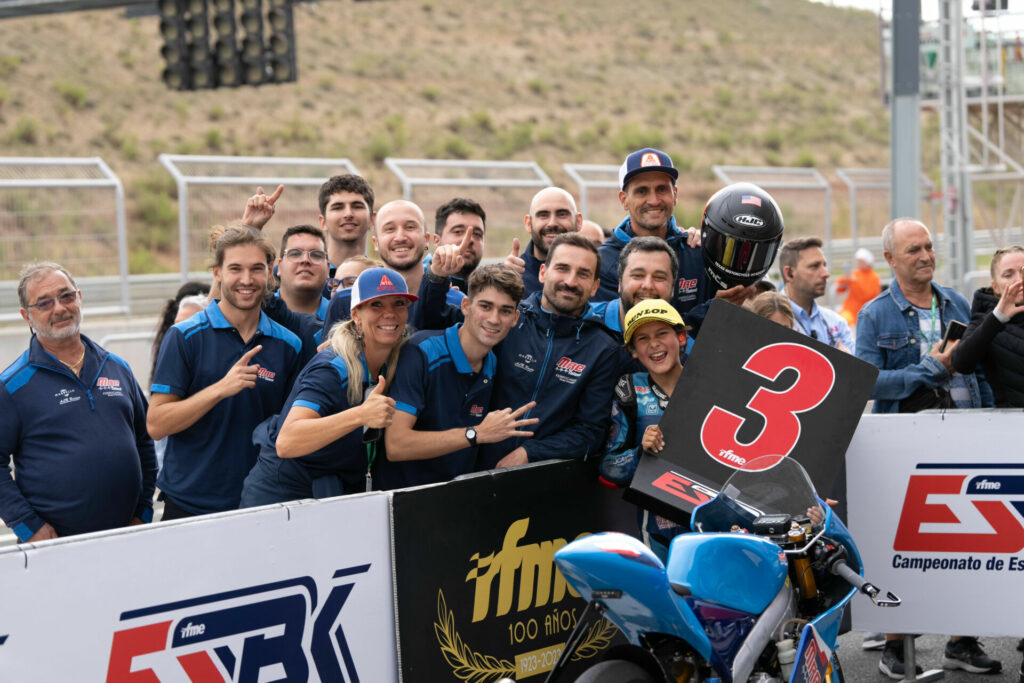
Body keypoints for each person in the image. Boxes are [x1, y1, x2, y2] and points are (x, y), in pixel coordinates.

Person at [854, 218, 998, 678]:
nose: (925, 255)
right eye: (913, 249)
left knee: (965, 539)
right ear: (891, 259)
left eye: (929, 246)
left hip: (963, 436)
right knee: (900, 544)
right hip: (902, 445)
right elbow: (866, 381)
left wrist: (990, 422)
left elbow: (977, 369)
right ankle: (896, 645)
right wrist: (926, 372)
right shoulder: (874, 313)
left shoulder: (955, 300)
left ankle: (962, 640)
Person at [422, 232, 622, 468]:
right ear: (542, 273)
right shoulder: (507, 318)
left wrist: (530, 453)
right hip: (469, 469)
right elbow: (431, 322)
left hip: (543, 481)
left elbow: (590, 432)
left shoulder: (603, 348)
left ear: (595, 286)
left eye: (583, 274)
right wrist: (436, 278)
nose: (570, 280)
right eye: (562, 268)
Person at [148, 226, 303, 519]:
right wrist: (220, 388)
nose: (246, 280)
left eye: (256, 269)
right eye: (235, 269)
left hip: (261, 503)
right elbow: (157, 424)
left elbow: (290, 430)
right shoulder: (184, 336)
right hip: (190, 505)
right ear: (217, 273)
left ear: (270, 272)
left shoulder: (288, 345)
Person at [0, 262, 156, 542]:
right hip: (59, 546)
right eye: (44, 303)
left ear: (79, 298)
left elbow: (145, 442)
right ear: (27, 316)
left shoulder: (117, 367)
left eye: (66, 296)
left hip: (128, 535)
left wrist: (143, 511)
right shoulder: (12, 386)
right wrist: (28, 526)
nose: (59, 308)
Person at [239, 267, 415, 506]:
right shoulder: (333, 367)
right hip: (281, 496)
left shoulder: (397, 359)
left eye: (399, 304)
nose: (390, 314)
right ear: (356, 314)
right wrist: (360, 415)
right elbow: (287, 441)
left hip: (328, 493)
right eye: (376, 305)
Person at [378, 265, 538, 489]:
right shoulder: (421, 351)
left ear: (515, 318)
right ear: (466, 306)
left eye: (505, 310)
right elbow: (396, 445)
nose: (494, 319)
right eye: (485, 306)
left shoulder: (493, 363)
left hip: (456, 501)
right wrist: (477, 434)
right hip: (401, 501)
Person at [599, 299, 688, 562]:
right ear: (633, 351)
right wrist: (641, 452)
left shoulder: (707, 381)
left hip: (711, 520)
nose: (654, 344)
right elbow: (609, 468)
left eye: (662, 333)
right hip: (658, 527)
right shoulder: (629, 389)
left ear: (681, 337)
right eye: (643, 338)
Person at [593, 148, 710, 318]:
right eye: (642, 191)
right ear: (624, 200)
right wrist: (706, 312)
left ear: (675, 195)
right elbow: (624, 331)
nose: (654, 200)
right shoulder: (603, 262)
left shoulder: (698, 252)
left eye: (662, 189)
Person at [323, 199, 465, 333]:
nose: (400, 237)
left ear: (426, 240)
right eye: (389, 229)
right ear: (376, 243)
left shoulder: (456, 301)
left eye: (410, 227)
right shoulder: (348, 302)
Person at [951, 245, 1024, 406]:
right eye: (1008, 275)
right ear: (995, 287)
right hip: (1013, 422)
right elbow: (961, 362)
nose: (1019, 280)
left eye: (1023, 271)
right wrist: (998, 317)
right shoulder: (985, 319)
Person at [778, 237, 855, 352]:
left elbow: (857, 368)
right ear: (789, 273)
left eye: (824, 265)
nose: (825, 273)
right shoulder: (769, 320)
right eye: (814, 266)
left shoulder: (837, 323)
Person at [505, 187, 582, 297]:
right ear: (528, 223)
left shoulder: (599, 274)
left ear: (578, 221)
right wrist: (502, 284)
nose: (552, 223)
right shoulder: (513, 280)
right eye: (543, 215)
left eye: (562, 214)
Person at [429, 197, 486, 291]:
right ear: (436, 240)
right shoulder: (416, 283)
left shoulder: (487, 291)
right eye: (458, 231)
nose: (469, 240)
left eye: (477, 234)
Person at [834, 247, 881, 326]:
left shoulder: (874, 277)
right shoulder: (855, 273)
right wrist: (845, 278)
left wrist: (854, 282)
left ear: (867, 262)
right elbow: (839, 289)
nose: (859, 264)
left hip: (866, 311)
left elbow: (867, 295)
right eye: (858, 261)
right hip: (850, 310)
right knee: (842, 320)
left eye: (861, 261)